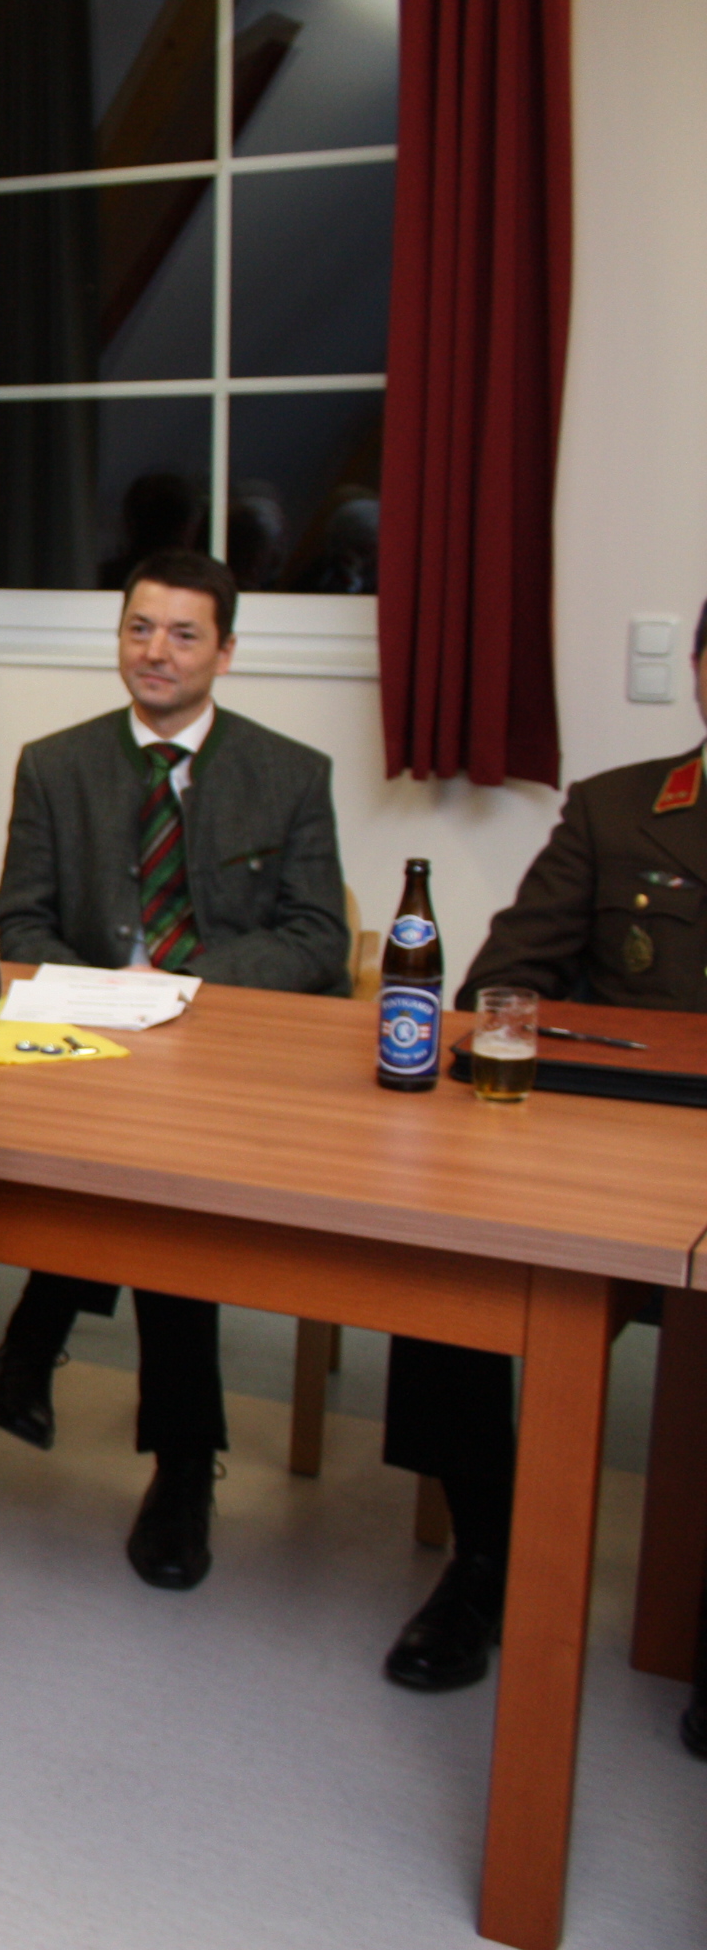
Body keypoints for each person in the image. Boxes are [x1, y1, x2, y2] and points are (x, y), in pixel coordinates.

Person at [0, 551, 347, 1591]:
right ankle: (175, 1459)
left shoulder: (289, 771)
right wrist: (107, 998)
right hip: (86, 1039)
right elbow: (20, 922)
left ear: (225, 651)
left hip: (225, 1052)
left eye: (184, 633)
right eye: (139, 628)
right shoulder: (57, 764)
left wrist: (182, 987)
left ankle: (44, 1351)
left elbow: (318, 937)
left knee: (162, 1185)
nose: (156, 651)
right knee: (144, 1167)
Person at [378, 599, 707, 1703]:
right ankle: (487, 1555)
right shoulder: (620, 809)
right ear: (699, 671)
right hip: (612, 1148)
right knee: (445, 1250)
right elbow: (500, 984)